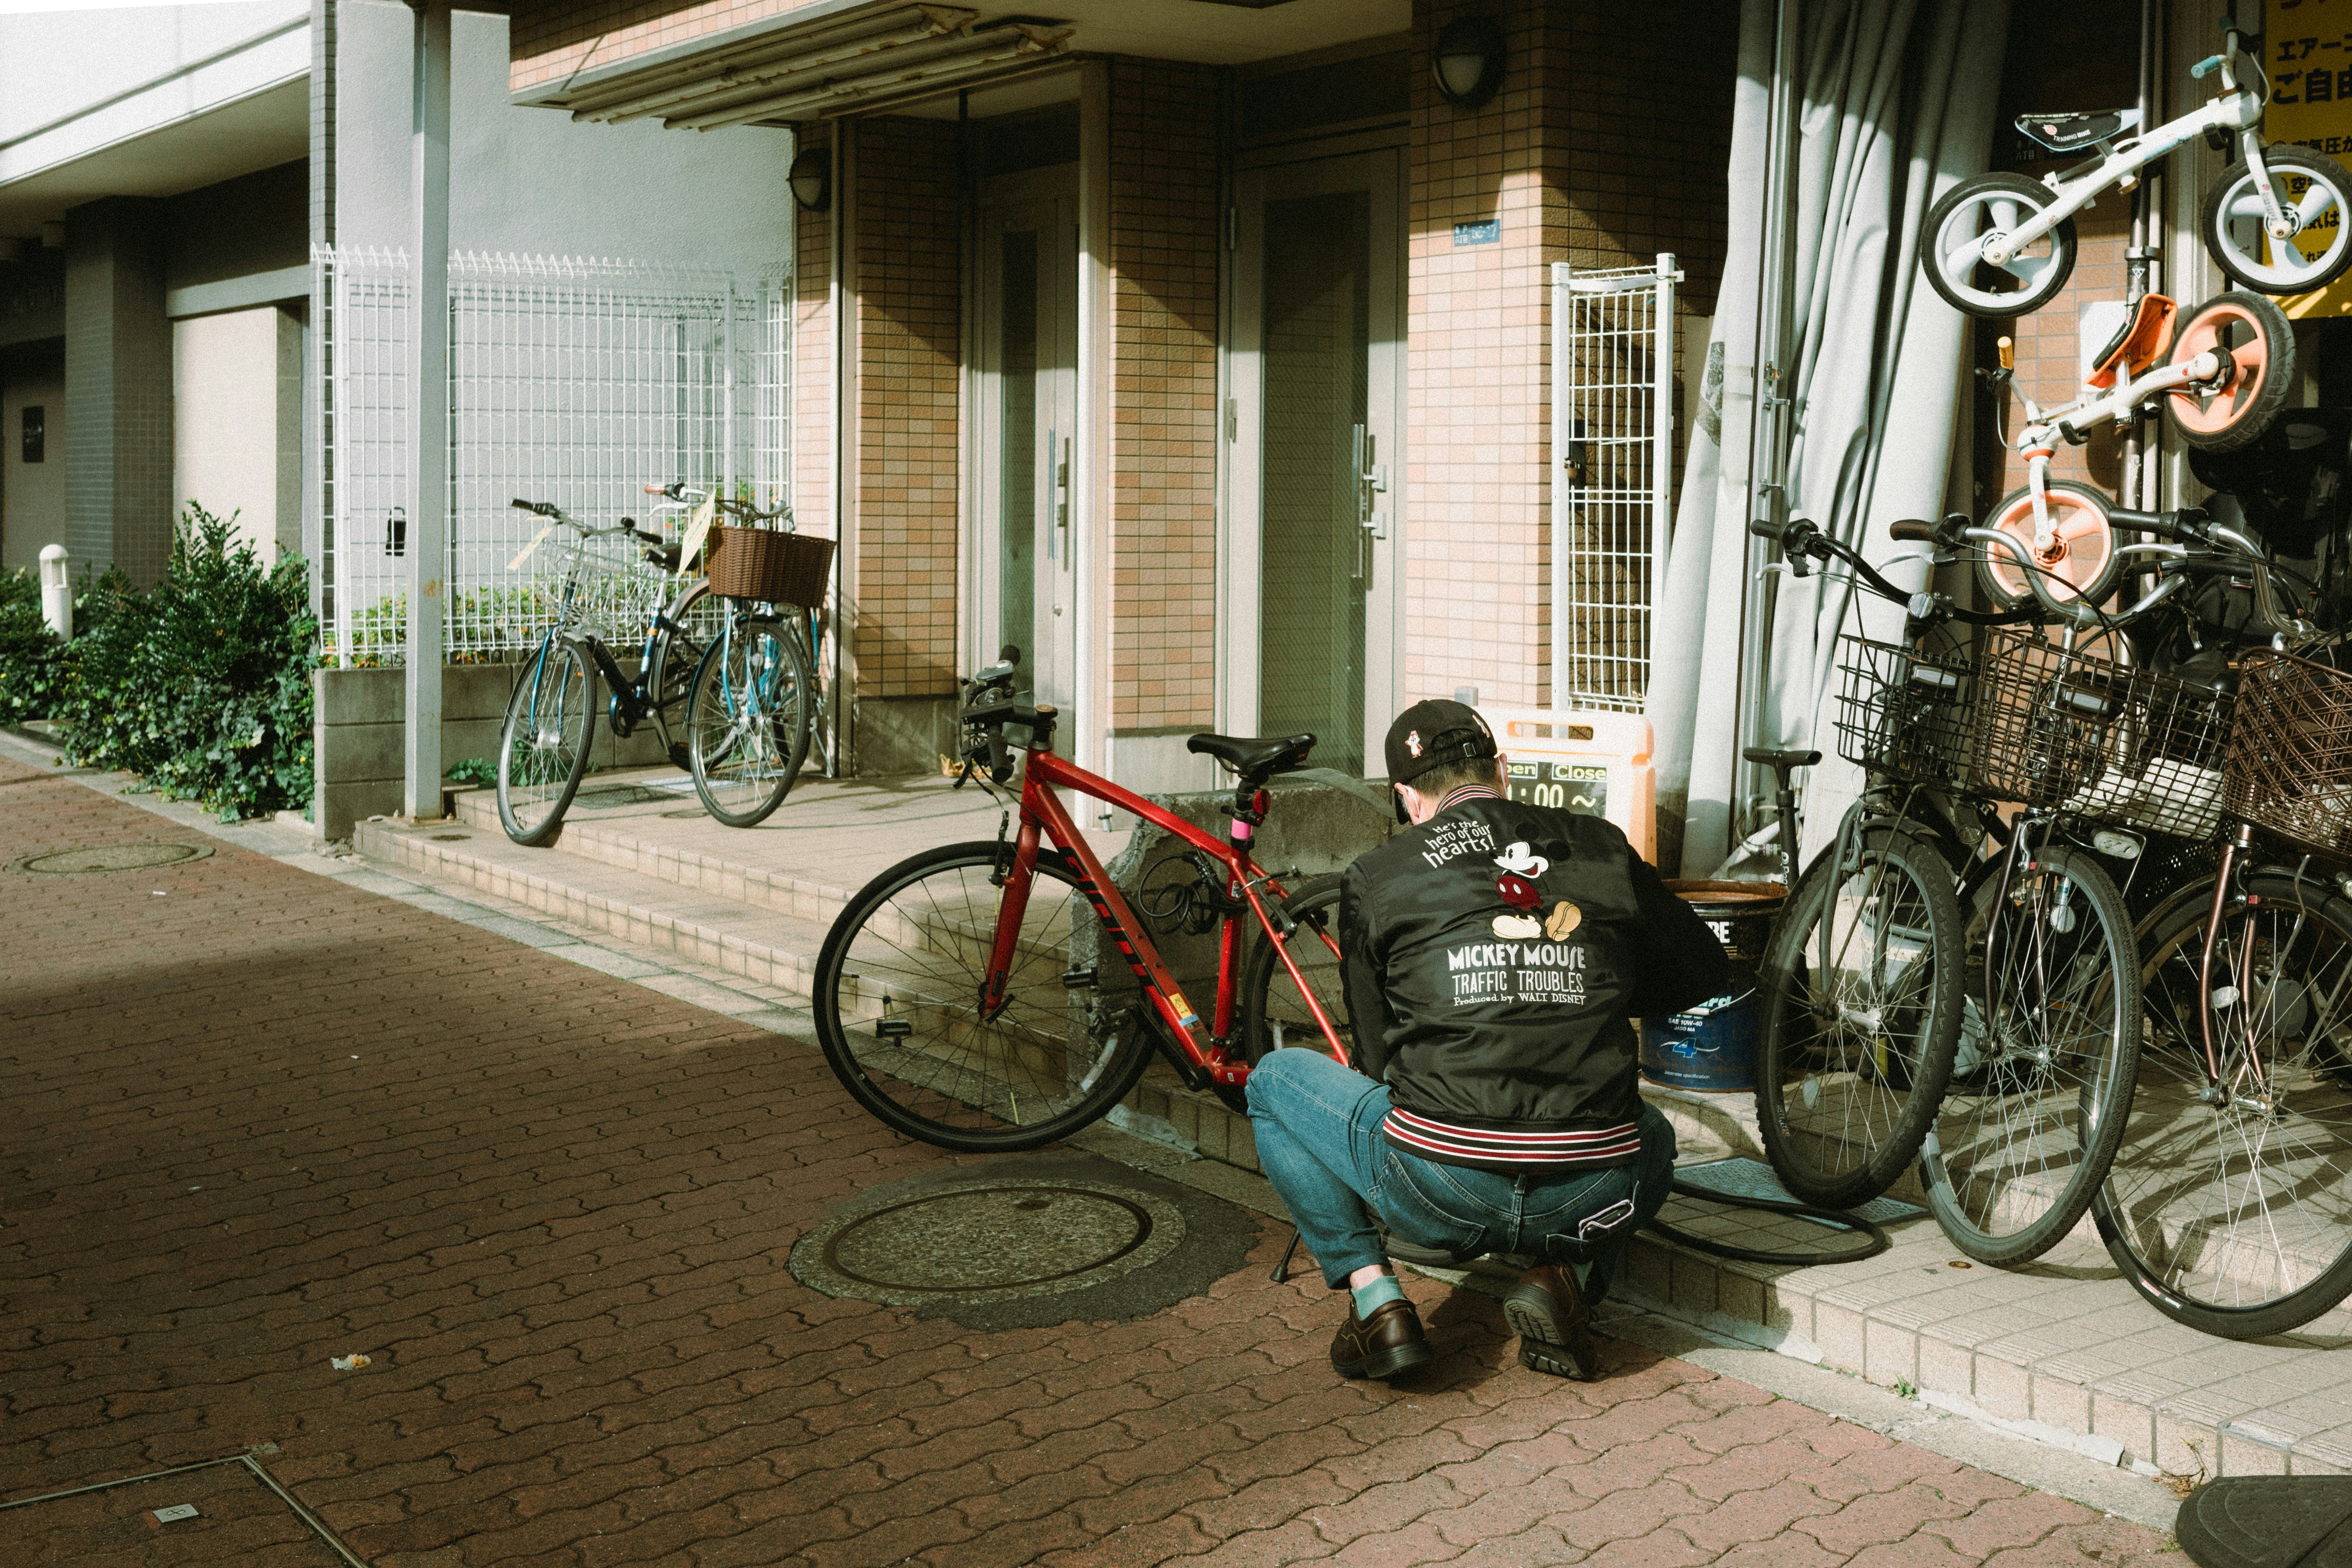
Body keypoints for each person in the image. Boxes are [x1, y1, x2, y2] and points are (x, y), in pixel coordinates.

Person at [1246, 699, 1729, 1383]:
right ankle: (1561, 1274)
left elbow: (1376, 1058)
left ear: (1407, 798)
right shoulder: (1600, 844)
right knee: (1648, 1134)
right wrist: (1596, 988)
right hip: (1594, 1191)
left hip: (1437, 1190)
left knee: (1271, 1081)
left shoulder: (1379, 874)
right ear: (1502, 771)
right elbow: (1702, 970)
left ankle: (1377, 1303)